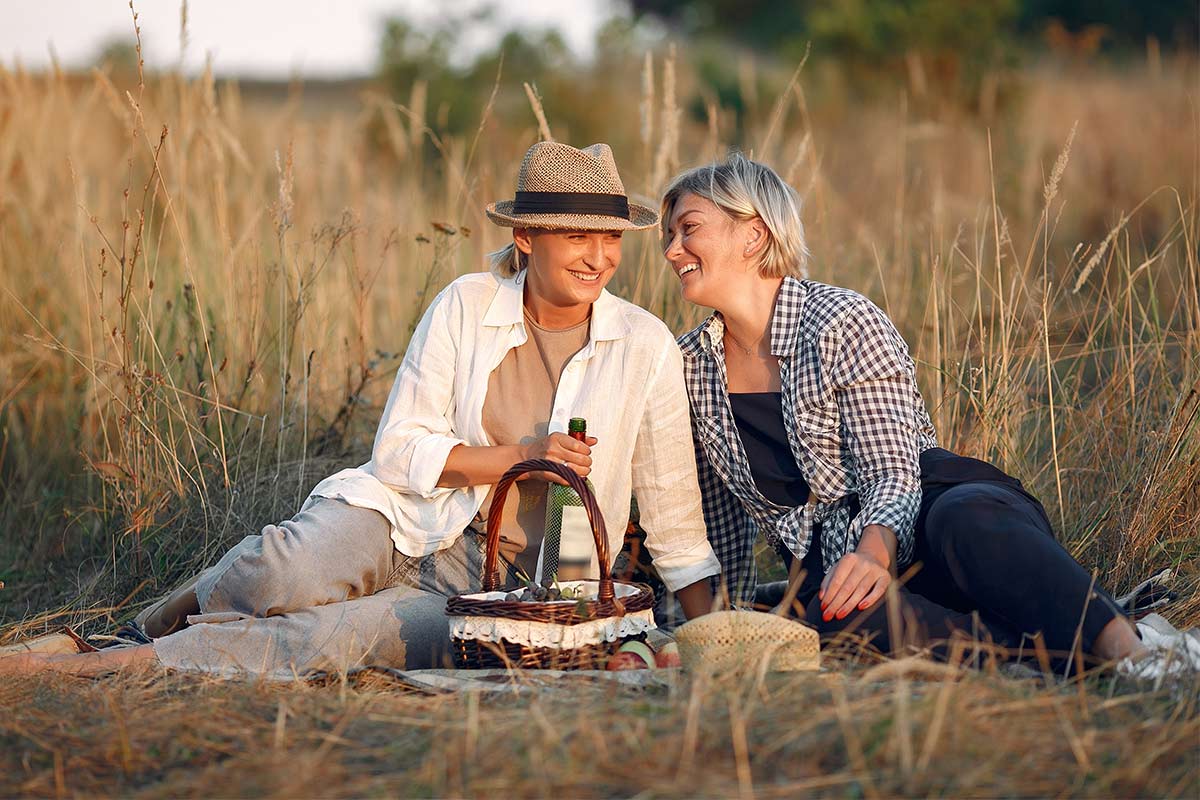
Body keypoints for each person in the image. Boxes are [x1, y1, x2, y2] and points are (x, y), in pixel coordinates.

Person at [2, 141, 720, 678]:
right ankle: (123, 636)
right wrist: (518, 457)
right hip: (408, 517)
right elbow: (399, 450)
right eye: (575, 237)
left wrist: (717, 644)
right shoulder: (467, 305)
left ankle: (95, 671)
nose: (598, 257)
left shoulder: (644, 345)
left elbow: (677, 526)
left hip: (505, 590)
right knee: (276, 574)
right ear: (525, 239)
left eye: (609, 238)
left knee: (330, 637)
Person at [660, 151, 1154, 672]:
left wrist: (874, 553)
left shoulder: (840, 320)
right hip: (834, 566)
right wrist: (723, 622)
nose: (672, 251)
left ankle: (1135, 652)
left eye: (687, 229)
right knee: (834, 620)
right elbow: (715, 516)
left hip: (930, 514)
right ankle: (1053, 652)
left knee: (968, 523)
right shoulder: (689, 364)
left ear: (754, 234)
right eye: (668, 236)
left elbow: (894, 470)